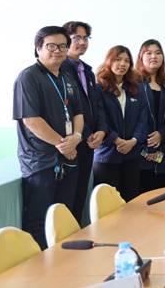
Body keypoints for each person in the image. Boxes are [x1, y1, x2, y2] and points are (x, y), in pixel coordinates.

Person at [13, 26, 83, 249]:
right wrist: (65, 145)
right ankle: (39, 268)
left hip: (68, 159)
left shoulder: (67, 78)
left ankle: (62, 265)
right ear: (38, 48)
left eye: (62, 46)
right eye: (51, 46)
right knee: (38, 222)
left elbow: (78, 113)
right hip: (40, 163)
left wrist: (77, 137)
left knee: (63, 219)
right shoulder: (28, 77)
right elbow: (31, 120)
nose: (58, 50)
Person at [60, 21, 107, 224]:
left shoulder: (87, 71)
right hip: (72, 142)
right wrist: (87, 133)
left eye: (86, 38)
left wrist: (102, 130)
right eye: (77, 38)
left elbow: (97, 104)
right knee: (67, 199)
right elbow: (70, 108)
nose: (82, 42)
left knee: (80, 195)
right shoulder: (61, 69)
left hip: (89, 143)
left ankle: (77, 235)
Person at [93, 45, 149, 203]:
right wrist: (116, 140)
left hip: (132, 153)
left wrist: (133, 141)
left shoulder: (136, 88)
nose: (123, 64)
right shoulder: (99, 88)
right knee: (107, 204)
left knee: (131, 202)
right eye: (118, 59)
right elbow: (99, 119)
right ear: (109, 61)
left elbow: (143, 119)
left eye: (127, 61)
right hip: (107, 154)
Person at [136, 39, 165, 193]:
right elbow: (133, 117)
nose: (154, 56)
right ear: (141, 57)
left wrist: (161, 134)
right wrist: (147, 141)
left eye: (158, 53)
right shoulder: (133, 82)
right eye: (149, 53)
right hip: (139, 151)